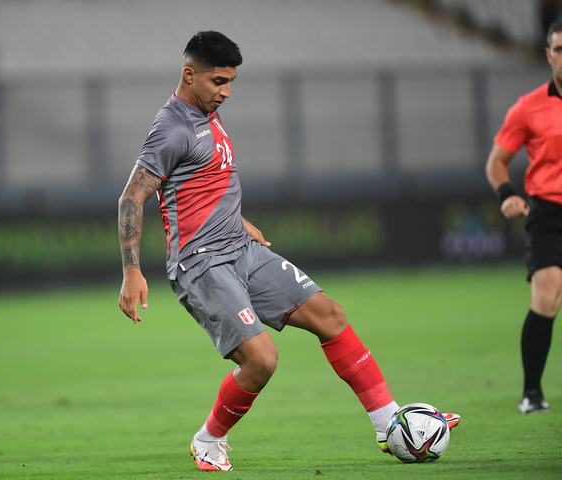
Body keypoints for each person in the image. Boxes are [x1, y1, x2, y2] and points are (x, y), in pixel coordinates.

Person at [117, 31, 459, 471]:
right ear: (189, 75)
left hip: (240, 248)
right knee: (261, 360)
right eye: (218, 81)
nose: (226, 92)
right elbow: (132, 197)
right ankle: (208, 440)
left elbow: (199, 185)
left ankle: (388, 422)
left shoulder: (207, 115)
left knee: (330, 316)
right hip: (202, 264)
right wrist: (131, 270)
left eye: (231, 82)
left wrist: (238, 220)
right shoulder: (172, 128)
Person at [485, 21, 562, 415]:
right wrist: (507, 195)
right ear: (548, 54)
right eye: (559, 50)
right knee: (547, 296)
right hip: (548, 211)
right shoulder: (528, 107)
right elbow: (496, 162)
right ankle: (532, 392)